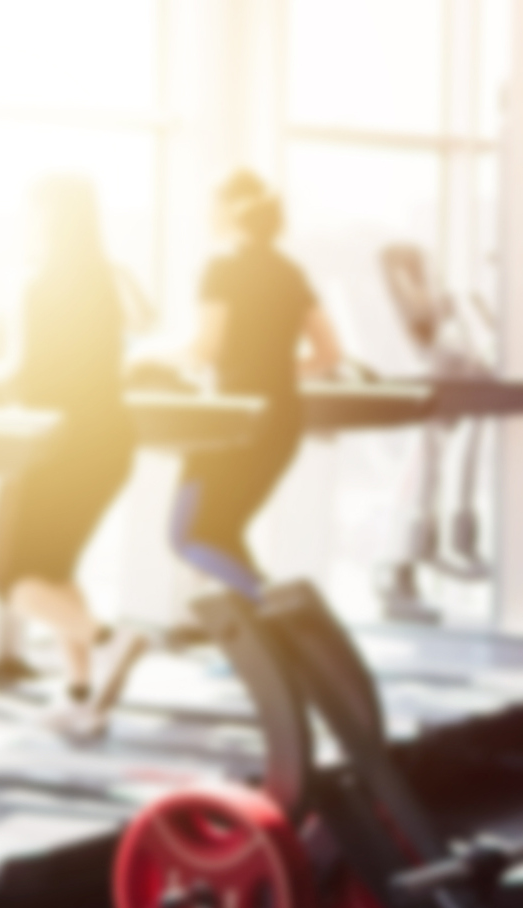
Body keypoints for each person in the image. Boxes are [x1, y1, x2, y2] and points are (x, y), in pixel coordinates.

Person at [0, 175, 149, 742]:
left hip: (58, 444)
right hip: (110, 442)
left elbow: (19, 372)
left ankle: (109, 641)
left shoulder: (35, 285)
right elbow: (132, 341)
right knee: (56, 573)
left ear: (45, 219)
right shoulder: (106, 281)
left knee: (9, 579)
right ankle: (80, 697)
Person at [173, 172, 343, 598]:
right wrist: (276, 372)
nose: (206, 214)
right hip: (283, 422)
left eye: (212, 205)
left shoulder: (221, 267)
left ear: (231, 211)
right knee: (223, 534)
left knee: (191, 536)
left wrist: (148, 361)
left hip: (234, 426)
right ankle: (274, 636)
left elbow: (206, 348)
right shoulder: (290, 271)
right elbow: (329, 354)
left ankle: (275, 610)